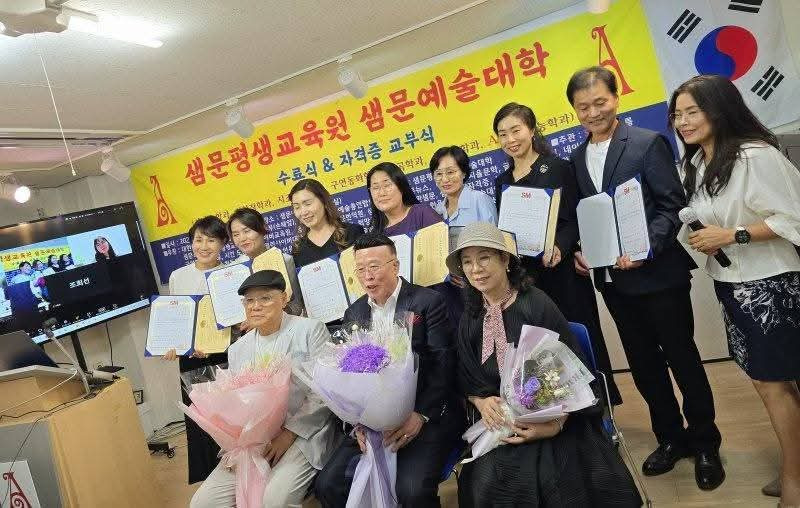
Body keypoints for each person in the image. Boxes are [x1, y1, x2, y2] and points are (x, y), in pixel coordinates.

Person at [566, 66, 723, 489]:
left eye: (600, 102)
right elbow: (587, 217)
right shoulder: (576, 159)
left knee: (683, 359)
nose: (593, 113)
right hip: (615, 283)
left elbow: (671, 206)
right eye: (583, 107)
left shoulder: (646, 142)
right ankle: (670, 438)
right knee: (643, 366)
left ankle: (705, 443)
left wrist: (642, 249)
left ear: (616, 98)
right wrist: (583, 250)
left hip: (659, 276)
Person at [671, 75, 800, 506]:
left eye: (692, 111)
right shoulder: (694, 164)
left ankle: (794, 481)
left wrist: (732, 235)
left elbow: (793, 219)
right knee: (770, 382)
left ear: (719, 109)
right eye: (677, 114)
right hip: (730, 285)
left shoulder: (755, 156)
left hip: (772, 284)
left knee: (774, 384)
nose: (683, 122)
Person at [448, 222, 641, 507]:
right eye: (467, 262)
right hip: (502, 424)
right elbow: (466, 374)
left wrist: (553, 425)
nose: (476, 269)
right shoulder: (471, 315)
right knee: (486, 481)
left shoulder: (536, 304)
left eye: (484, 257)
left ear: (505, 260)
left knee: (556, 481)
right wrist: (480, 401)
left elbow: (572, 373)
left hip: (560, 419)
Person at [314, 233, 464, 508]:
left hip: (425, 415)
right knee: (328, 485)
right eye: (361, 269)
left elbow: (443, 365)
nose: (367, 276)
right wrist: (357, 424)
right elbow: (345, 375)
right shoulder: (354, 313)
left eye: (374, 266)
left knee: (411, 491)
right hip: (371, 424)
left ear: (395, 266)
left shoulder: (428, 302)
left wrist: (420, 415)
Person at [492, 102, 622, 406]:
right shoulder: (502, 182)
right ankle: (558, 408)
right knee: (542, 345)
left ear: (531, 129)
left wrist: (562, 247)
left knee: (580, 335)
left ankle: (600, 406)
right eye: (502, 134)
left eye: (515, 130)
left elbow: (576, 218)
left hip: (562, 271)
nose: (510, 139)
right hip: (526, 278)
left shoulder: (558, 168)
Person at [190, 270, 338, 508]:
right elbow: (236, 402)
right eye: (249, 301)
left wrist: (289, 433)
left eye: (265, 298)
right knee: (204, 503)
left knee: (275, 500)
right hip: (253, 441)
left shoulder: (310, 330)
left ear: (284, 298)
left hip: (303, 433)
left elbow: (324, 392)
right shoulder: (238, 349)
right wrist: (236, 441)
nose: (256, 306)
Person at [164, 216, 230, 484]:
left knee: (228, 418)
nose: (203, 246)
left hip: (224, 354)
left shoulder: (231, 273)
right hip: (191, 358)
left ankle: (236, 472)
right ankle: (211, 480)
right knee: (201, 421)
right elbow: (175, 318)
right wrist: (176, 346)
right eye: (198, 240)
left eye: (211, 240)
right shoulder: (178, 276)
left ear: (223, 243)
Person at [228, 207, 303, 317]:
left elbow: (297, 305)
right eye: (236, 235)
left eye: (247, 231)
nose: (242, 238)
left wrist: (276, 313)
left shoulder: (285, 260)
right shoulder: (232, 270)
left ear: (262, 228)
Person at [288, 179, 364, 267]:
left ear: (324, 201)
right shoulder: (298, 249)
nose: (303, 212)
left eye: (308, 204)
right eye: (297, 207)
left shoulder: (352, 232)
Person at [366, 161, 442, 235]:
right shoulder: (375, 235)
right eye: (375, 188)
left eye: (387, 185)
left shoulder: (421, 213)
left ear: (401, 186)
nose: (382, 193)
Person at [429, 145, 497, 226]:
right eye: (439, 174)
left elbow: (493, 233)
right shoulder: (437, 210)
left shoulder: (480, 200)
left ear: (464, 172)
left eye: (450, 172)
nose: (445, 179)